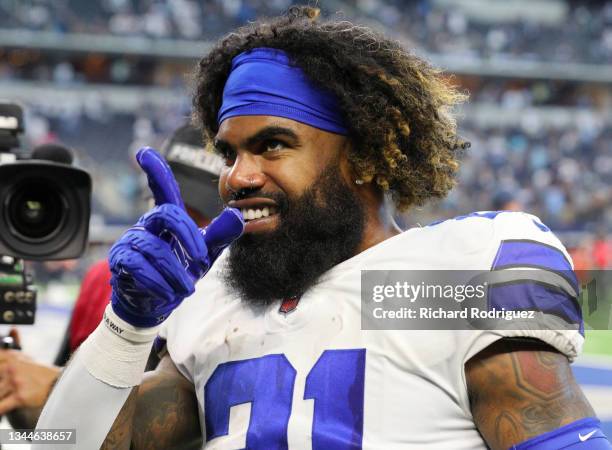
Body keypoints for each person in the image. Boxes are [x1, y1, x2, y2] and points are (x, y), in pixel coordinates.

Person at [36, 7, 610, 450]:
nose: (238, 176)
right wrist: (126, 327)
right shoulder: (216, 303)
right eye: (230, 152)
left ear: (362, 157)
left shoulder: (428, 287)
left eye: (273, 145)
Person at [0, 122, 224, 430]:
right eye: (165, 201)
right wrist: (16, 386)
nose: (177, 224)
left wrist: (53, 388)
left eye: (198, 216)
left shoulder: (230, 311)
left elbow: (153, 435)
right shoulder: (101, 277)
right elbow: (58, 437)